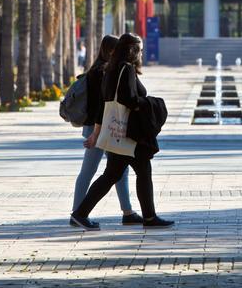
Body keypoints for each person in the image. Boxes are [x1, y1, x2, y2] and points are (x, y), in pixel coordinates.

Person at [71, 33, 174, 230]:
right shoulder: (125, 69)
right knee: (122, 174)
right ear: (133, 51)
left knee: (130, 172)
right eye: (140, 50)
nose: (142, 54)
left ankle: (148, 217)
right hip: (128, 132)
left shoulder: (110, 69)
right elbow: (128, 99)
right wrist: (151, 103)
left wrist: (97, 133)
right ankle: (81, 213)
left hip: (120, 132)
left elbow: (104, 105)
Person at [70, 35, 142, 227]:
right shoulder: (103, 72)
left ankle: (127, 211)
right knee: (92, 171)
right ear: (110, 51)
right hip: (100, 127)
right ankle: (77, 213)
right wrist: (96, 132)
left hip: (101, 126)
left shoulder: (102, 70)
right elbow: (101, 105)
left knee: (117, 170)